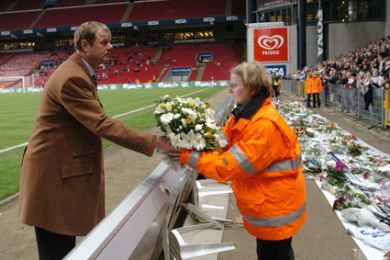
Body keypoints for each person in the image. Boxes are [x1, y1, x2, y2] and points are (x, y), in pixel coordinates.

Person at [19, 21, 176, 260]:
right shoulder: (72, 77)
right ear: (85, 45)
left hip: (59, 173)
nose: (111, 46)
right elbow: (102, 124)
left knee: (64, 246)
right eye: (104, 42)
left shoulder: (78, 71)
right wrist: (155, 142)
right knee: (57, 250)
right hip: (52, 178)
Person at [178, 62, 306, 260]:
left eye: (235, 85)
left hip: (275, 208)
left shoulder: (263, 125)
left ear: (251, 87)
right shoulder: (245, 113)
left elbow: (226, 167)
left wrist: (187, 156)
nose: (230, 89)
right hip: (270, 203)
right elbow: (223, 142)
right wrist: (196, 141)